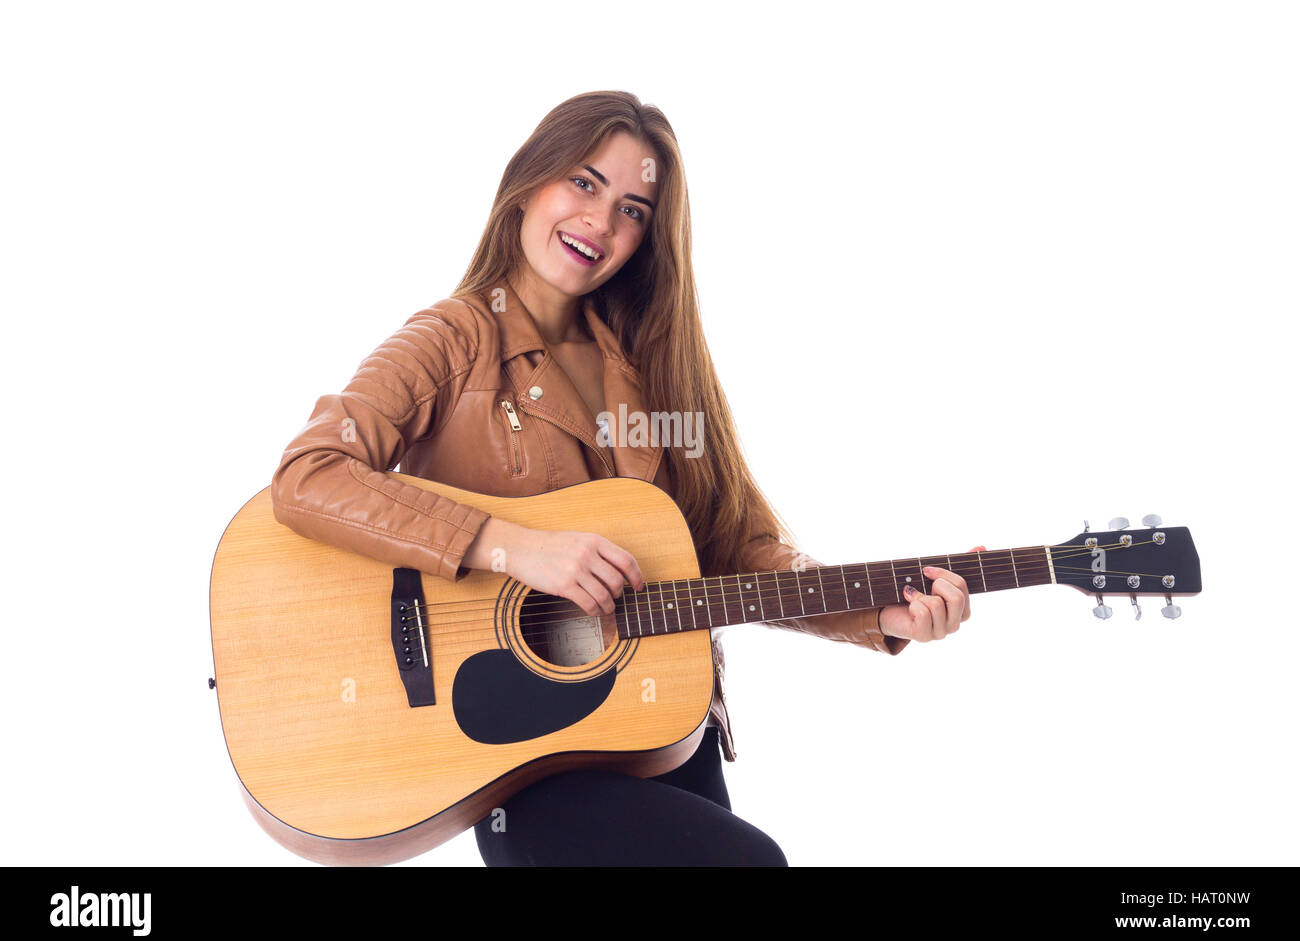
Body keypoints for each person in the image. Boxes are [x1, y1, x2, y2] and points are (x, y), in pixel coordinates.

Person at [270, 90, 977, 866]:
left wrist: (877, 612)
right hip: (526, 757)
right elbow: (311, 472)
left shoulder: (653, 368)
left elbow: (736, 548)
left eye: (632, 209)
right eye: (583, 182)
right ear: (528, 182)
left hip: (662, 728)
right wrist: (513, 546)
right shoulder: (452, 339)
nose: (600, 222)